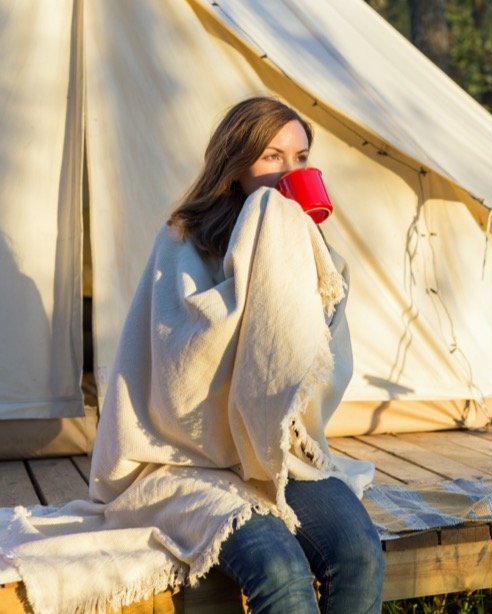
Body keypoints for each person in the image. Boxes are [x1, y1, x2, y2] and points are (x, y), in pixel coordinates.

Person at [162, 96, 384, 613]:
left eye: (301, 158)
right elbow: (176, 363)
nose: (289, 172)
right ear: (236, 167)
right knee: (280, 573)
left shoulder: (317, 256)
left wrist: (307, 290)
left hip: (278, 454)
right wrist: (249, 292)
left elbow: (325, 370)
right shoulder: (182, 243)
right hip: (197, 460)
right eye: (272, 157)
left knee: (358, 554)